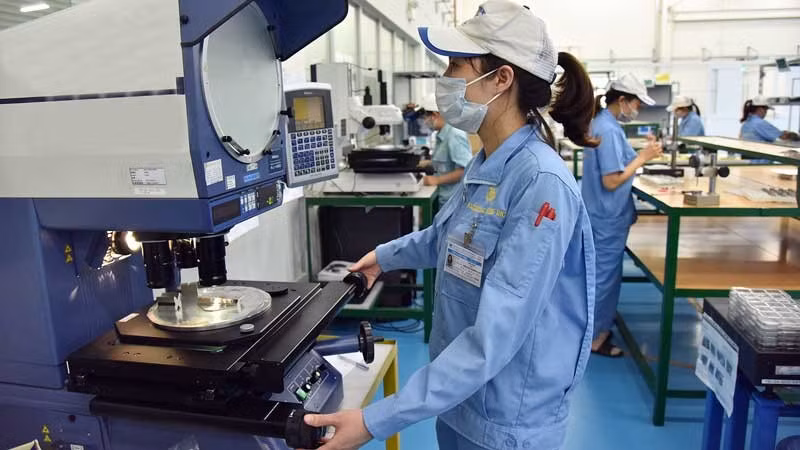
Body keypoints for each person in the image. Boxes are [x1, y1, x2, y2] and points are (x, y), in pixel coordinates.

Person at [300, 1, 597, 449]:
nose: (447, 78)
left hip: (506, 418)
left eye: (458, 64)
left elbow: (496, 336)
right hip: (459, 399)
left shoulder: (541, 183)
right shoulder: (489, 161)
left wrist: (377, 419)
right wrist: (382, 258)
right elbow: (447, 238)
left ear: (502, 79)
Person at [583, 73, 663, 358]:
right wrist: (644, 158)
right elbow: (612, 181)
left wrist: (643, 153)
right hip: (606, 217)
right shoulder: (607, 129)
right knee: (603, 278)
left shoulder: (604, 125)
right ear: (622, 100)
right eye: (636, 103)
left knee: (600, 276)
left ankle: (596, 328)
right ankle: (594, 338)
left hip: (602, 214)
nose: (638, 109)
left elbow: (622, 162)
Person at [418, 93, 474, 207]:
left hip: (453, 203)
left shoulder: (454, 135)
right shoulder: (442, 135)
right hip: (444, 199)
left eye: (426, 117)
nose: (425, 121)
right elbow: (447, 162)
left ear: (435, 115)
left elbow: (464, 170)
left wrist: (436, 180)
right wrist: (426, 163)